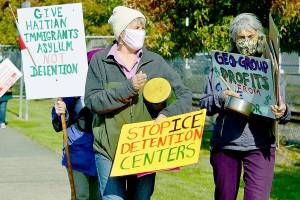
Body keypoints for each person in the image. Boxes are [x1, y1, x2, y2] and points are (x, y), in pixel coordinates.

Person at [84, 6, 192, 200]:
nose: (141, 31)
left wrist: (166, 115)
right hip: (109, 150)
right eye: (136, 27)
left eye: (143, 27)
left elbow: (185, 95)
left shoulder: (155, 62)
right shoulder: (100, 61)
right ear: (122, 32)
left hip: (144, 149)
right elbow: (93, 102)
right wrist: (128, 88)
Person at [201, 13, 291, 200]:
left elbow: (283, 109)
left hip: (261, 144)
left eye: (250, 36)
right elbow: (205, 103)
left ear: (259, 36)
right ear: (234, 39)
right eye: (241, 37)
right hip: (226, 144)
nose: (246, 41)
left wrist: (283, 111)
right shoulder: (221, 66)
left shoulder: (270, 67)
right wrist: (221, 98)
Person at [51, 50, 101, 200]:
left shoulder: (109, 88)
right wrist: (61, 112)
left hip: (103, 151)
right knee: (81, 195)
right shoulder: (73, 90)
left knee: (98, 196)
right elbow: (58, 122)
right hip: (78, 151)